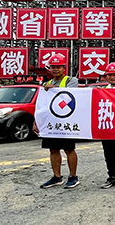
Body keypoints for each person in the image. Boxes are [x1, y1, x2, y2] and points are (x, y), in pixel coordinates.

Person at [34, 53, 80, 189]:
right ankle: (57, 177)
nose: (55, 69)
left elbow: (71, 96)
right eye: (53, 67)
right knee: (53, 150)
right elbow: (41, 106)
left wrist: (55, 90)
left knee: (69, 149)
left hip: (66, 121)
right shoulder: (46, 84)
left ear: (64, 68)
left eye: (58, 67)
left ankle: (73, 176)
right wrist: (36, 121)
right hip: (51, 123)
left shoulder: (71, 80)